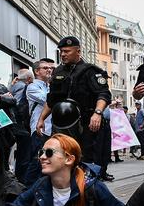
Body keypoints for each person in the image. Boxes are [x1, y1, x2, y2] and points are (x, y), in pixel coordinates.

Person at [39, 36, 111, 164]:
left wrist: (98, 113)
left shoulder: (90, 71)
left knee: (84, 160)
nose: (63, 54)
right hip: (61, 126)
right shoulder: (58, 71)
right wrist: (41, 119)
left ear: (78, 51)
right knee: (60, 158)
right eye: (61, 51)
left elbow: (103, 94)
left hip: (85, 125)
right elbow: (51, 99)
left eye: (67, 51)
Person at [24, 58, 55, 184]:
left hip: (50, 128)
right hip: (39, 129)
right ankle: (28, 188)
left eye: (51, 68)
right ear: (37, 71)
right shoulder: (32, 87)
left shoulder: (49, 86)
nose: (49, 70)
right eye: (45, 68)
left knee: (47, 159)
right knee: (37, 160)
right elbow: (48, 99)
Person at [10, 67, 36, 184]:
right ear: (29, 79)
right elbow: (19, 105)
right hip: (20, 126)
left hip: (15, 124)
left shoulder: (15, 85)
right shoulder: (22, 86)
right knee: (24, 154)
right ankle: (22, 180)